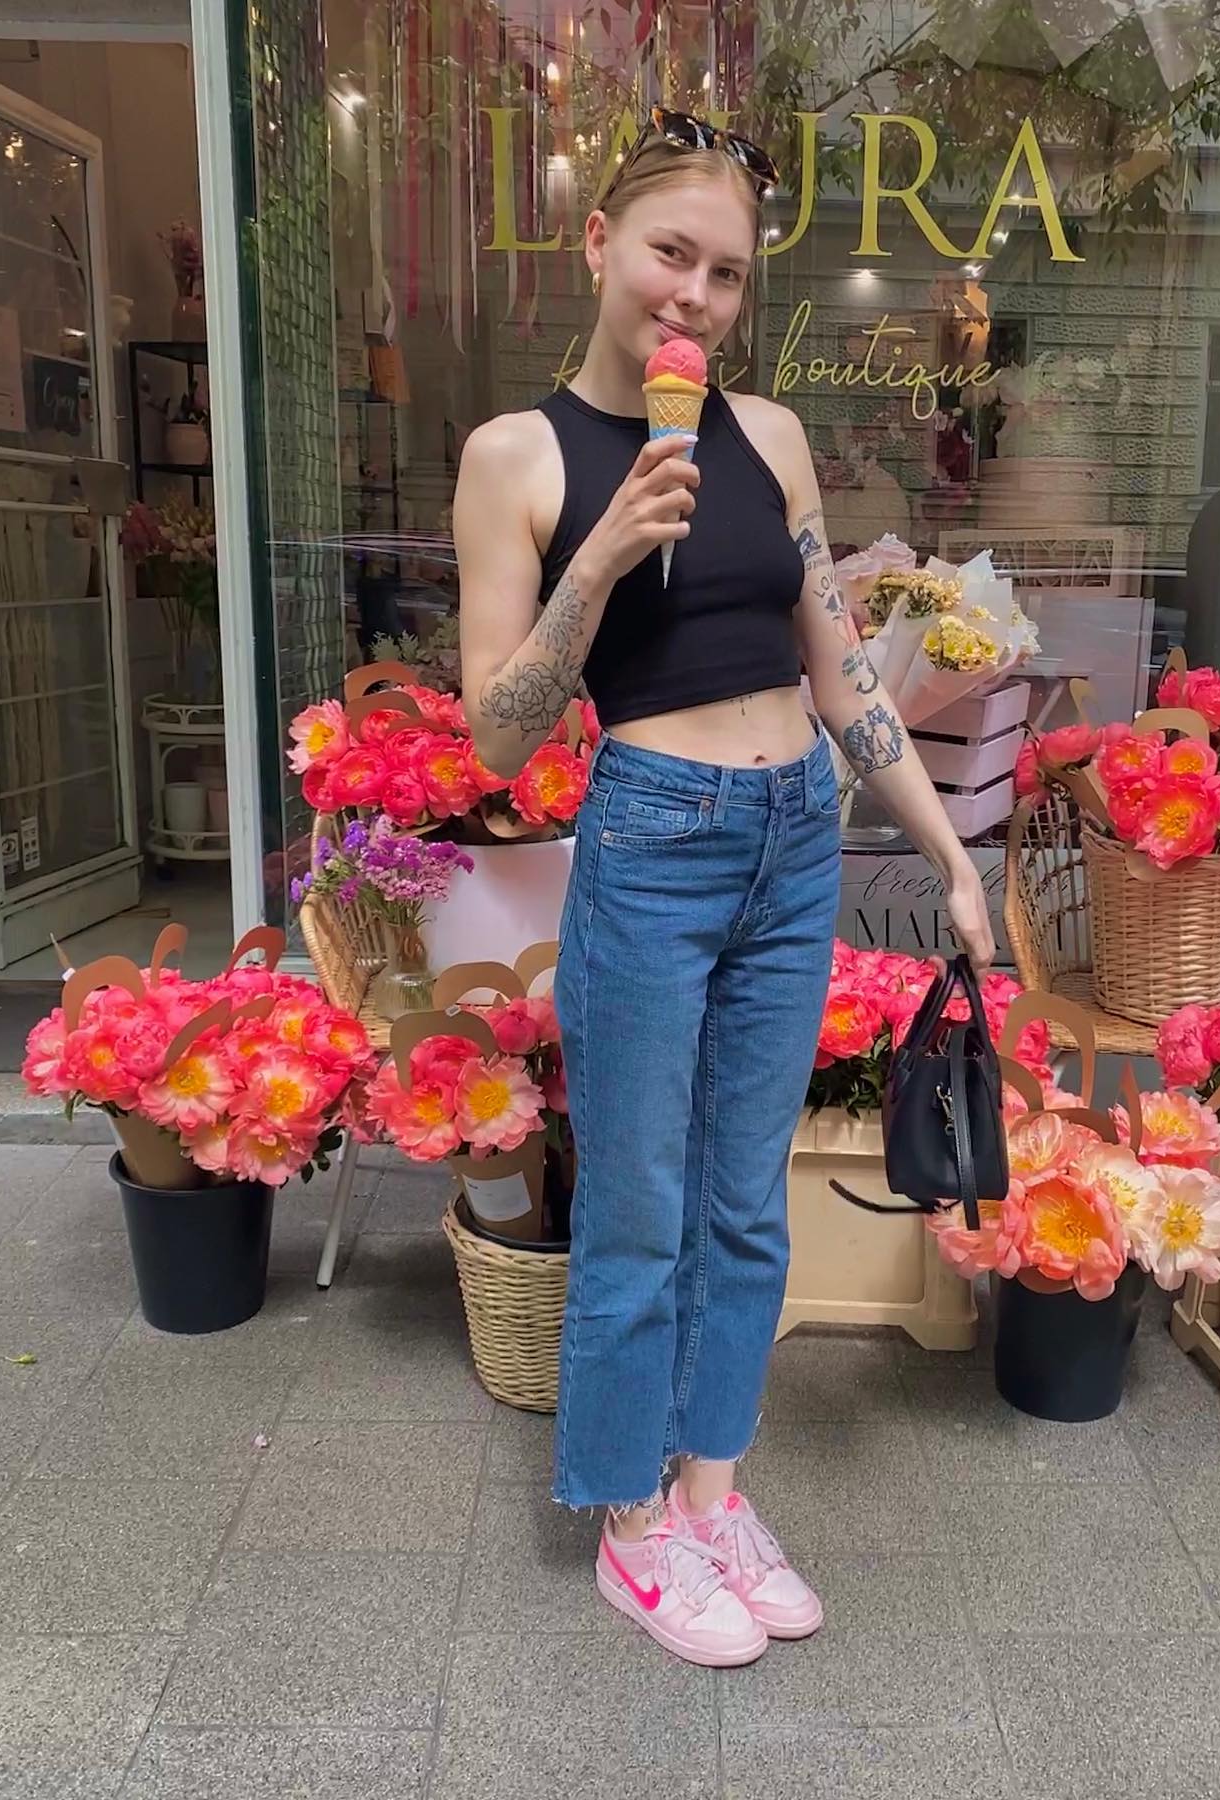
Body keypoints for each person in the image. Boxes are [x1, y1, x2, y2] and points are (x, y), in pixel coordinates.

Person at [455, 108, 995, 1669]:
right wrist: (598, 561)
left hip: (794, 837)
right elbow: (497, 735)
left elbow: (840, 671)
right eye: (668, 254)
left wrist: (947, 854)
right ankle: (631, 1524)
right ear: (599, 247)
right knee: (641, 1205)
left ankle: (712, 1495)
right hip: (652, 836)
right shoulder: (517, 457)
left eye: (727, 273)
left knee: (748, 1204)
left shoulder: (769, 438)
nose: (693, 295)